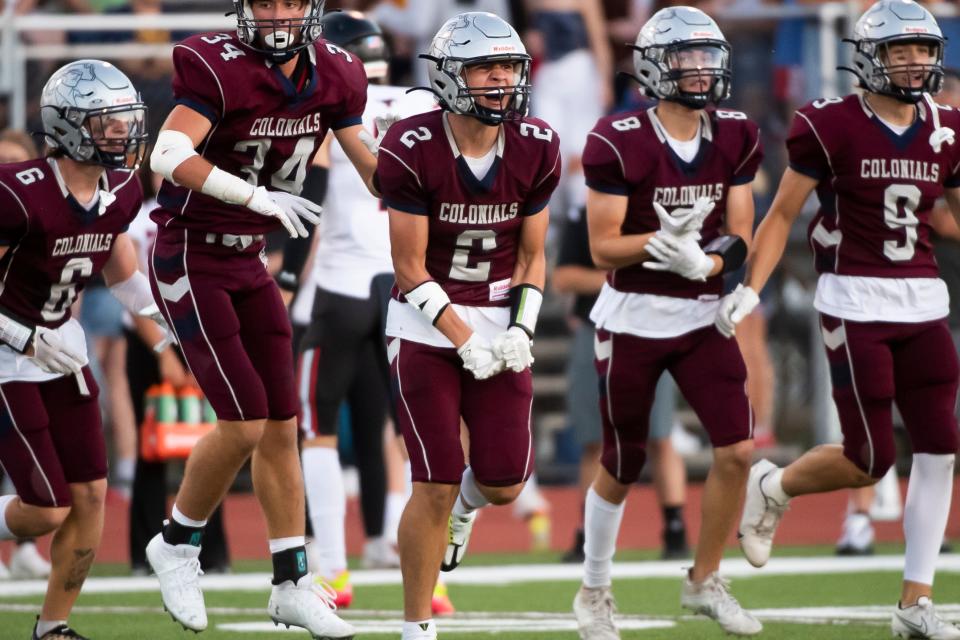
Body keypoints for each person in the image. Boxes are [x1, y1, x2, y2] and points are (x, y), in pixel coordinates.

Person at [142, 0, 379, 636]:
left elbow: (375, 169)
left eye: (289, 1)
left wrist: (447, 184)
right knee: (244, 421)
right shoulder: (215, 63)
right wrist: (253, 196)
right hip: (190, 252)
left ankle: (293, 581)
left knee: (281, 424)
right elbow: (166, 155)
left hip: (249, 262)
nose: (277, 14)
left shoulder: (338, 71)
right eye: (263, 2)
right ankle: (176, 542)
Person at [725, 2, 960, 638]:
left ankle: (914, 603)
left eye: (923, 50)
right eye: (900, 50)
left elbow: (953, 218)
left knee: (941, 448)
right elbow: (779, 216)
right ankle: (775, 485)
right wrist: (752, 287)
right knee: (870, 457)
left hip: (922, 297)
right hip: (854, 298)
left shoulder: (948, 127)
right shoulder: (829, 125)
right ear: (870, 57)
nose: (914, 62)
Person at [572, 6, 763, 638]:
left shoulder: (735, 132)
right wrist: (663, 244)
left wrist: (705, 260)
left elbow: (741, 233)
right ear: (656, 66)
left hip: (703, 313)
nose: (701, 69)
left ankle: (704, 580)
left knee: (736, 449)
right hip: (635, 315)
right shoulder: (617, 137)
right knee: (624, 461)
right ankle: (594, 589)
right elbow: (603, 248)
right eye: (686, 57)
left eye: (708, 56)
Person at [376, 12, 561, 640]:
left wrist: (522, 331)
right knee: (433, 479)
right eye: (487, 67)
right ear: (452, 77)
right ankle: (417, 625)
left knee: (505, 482)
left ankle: (465, 511)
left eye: (509, 67)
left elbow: (533, 255)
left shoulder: (537, 143)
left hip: (500, 315)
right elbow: (406, 266)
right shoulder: (411, 144)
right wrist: (463, 338)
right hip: (427, 324)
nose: (502, 80)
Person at [0, 59, 158, 639]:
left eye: (125, 119)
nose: (122, 132)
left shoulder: (120, 188)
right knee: (45, 508)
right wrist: (22, 335)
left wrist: (170, 319)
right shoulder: (17, 193)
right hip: (8, 357)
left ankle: (52, 628)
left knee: (91, 493)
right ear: (67, 125)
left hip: (63, 351)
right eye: (106, 122)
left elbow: (121, 273)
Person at [292, 9, 437, 608]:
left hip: (341, 286)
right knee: (415, 435)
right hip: (407, 284)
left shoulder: (327, 109)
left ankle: (334, 570)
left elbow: (313, 195)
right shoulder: (420, 106)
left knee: (318, 430)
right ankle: (436, 580)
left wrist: (283, 282)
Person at [553, 207, 689, 564]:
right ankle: (587, 533)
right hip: (596, 325)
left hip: (647, 327)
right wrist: (621, 274)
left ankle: (675, 528)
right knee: (592, 439)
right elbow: (564, 277)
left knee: (659, 435)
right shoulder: (584, 214)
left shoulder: (655, 210)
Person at [0, 128, 55, 582]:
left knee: (38, 469)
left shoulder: (42, 207)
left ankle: (24, 547)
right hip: (15, 348)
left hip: (29, 354)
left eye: (16, 163)